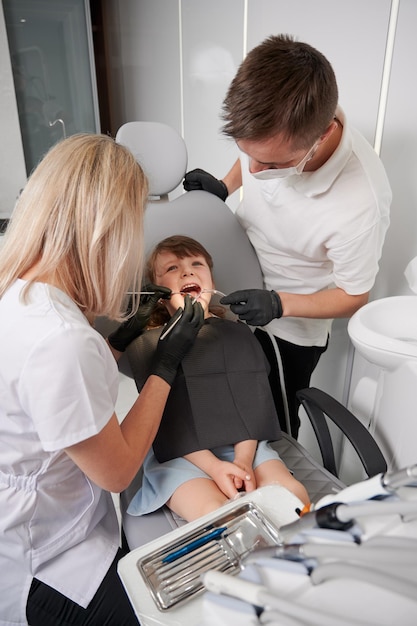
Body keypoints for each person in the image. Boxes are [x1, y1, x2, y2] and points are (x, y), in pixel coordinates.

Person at [0, 134, 204, 626]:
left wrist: (117, 340)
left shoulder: (18, 290)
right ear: (106, 232)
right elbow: (115, 472)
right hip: (47, 558)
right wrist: (165, 365)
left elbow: (55, 394)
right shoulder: (61, 340)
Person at [183, 34, 392, 439]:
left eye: (273, 164)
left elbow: (355, 296)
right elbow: (257, 154)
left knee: (272, 427)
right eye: (250, 156)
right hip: (235, 287)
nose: (256, 172)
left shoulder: (360, 202)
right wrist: (226, 187)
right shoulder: (285, 122)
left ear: (323, 134)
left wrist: (279, 304)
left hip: (290, 331)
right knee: (227, 404)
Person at [126, 235, 310, 523]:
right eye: (172, 268)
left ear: (211, 278)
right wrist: (214, 468)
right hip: (182, 455)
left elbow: (254, 404)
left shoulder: (239, 334)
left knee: (292, 497)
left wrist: (243, 462)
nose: (187, 271)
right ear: (158, 294)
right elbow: (166, 424)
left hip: (244, 444)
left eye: (196, 263)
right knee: (216, 515)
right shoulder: (148, 344)